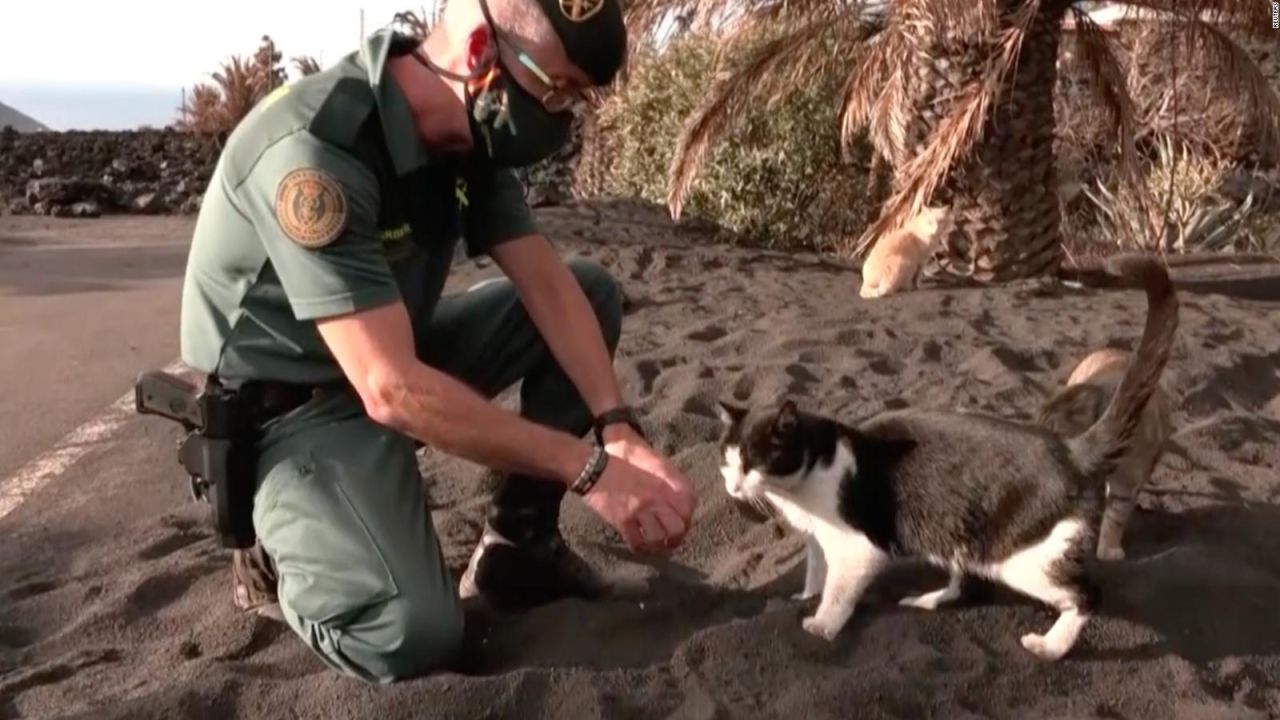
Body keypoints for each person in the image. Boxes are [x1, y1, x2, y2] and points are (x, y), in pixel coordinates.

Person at [176, 0, 696, 684]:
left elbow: (544, 282)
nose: (564, 117)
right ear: (480, 49)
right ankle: (272, 555)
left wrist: (616, 427)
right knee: (408, 632)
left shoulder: (467, 137)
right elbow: (390, 390)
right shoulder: (317, 149)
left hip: (393, 355)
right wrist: (588, 470)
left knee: (588, 291)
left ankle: (520, 548)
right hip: (289, 410)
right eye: (557, 89)